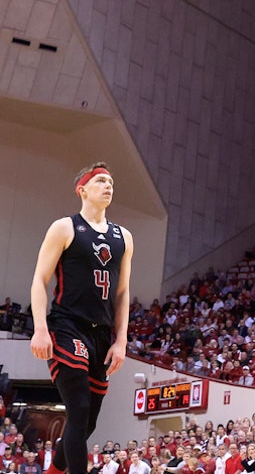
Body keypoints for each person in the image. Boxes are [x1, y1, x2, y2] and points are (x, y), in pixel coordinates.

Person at [29, 164, 134, 474]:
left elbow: (123, 294)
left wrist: (121, 341)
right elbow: (39, 279)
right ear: (82, 189)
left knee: (87, 422)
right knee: (79, 407)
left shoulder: (124, 237)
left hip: (102, 335)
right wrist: (40, 329)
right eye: (100, 180)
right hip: (66, 326)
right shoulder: (64, 227)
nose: (108, 185)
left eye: (111, 182)